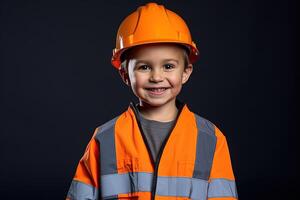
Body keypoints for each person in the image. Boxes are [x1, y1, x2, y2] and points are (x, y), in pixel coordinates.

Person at [66, 2, 238, 200]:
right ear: (125, 74)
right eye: (144, 67)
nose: (157, 77)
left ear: (185, 72)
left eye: (168, 66)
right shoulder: (106, 138)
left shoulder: (211, 139)